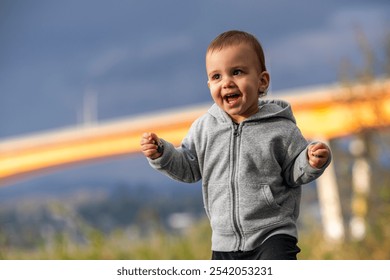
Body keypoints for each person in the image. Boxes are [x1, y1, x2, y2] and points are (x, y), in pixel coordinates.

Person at [140, 30, 331, 260]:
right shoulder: (204, 128)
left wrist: (310, 161)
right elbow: (189, 168)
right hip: (224, 241)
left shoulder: (281, 128)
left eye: (237, 72)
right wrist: (162, 152)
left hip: (273, 234)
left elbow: (293, 172)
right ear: (209, 83)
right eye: (217, 76)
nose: (227, 82)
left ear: (262, 81)